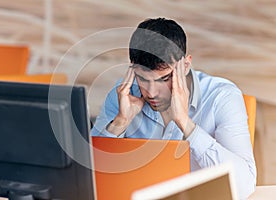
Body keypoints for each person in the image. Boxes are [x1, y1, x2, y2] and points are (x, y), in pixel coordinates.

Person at [91, 17, 256, 199]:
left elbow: (245, 185)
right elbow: (87, 178)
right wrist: (120, 123)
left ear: (185, 65)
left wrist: (186, 124)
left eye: (164, 79)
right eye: (143, 79)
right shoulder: (124, 95)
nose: (152, 93)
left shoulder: (222, 97)